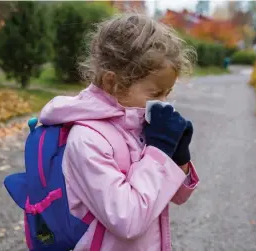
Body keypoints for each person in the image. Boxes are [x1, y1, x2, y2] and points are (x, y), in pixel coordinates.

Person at [39, 13, 199, 251]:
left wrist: (179, 159)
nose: (165, 103)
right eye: (155, 94)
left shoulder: (139, 124)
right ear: (112, 82)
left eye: (168, 92)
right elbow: (128, 220)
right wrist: (159, 151)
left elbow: (174, 196)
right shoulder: (87, 140)